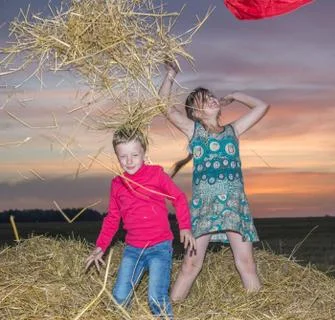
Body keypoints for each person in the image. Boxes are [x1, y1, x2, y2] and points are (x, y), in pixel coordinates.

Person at [164, 66, 270, 301]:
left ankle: (259, 311)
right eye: (204, 100)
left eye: (212, 96)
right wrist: (170, 75)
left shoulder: (233, 130)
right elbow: (165, 108)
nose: (212, 99)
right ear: (196, 113)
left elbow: (262, 107)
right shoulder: (194, 131)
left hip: (234, 206)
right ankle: (168, 312)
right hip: (204, 207)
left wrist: (235, 95)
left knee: (247, 264)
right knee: (191, 266)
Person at [85, 126, 196, 319]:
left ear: (144, 153)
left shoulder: (156, 175)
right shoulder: (118, 184)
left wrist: (184, 226)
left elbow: (178, 198)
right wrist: (100, 247)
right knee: (119, 297)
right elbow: (112, 218)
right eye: (123, 156)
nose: (129, 161)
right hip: (133, 250)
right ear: (117, 157)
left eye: (134, 155)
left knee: (156, 298)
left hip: (160, 248)